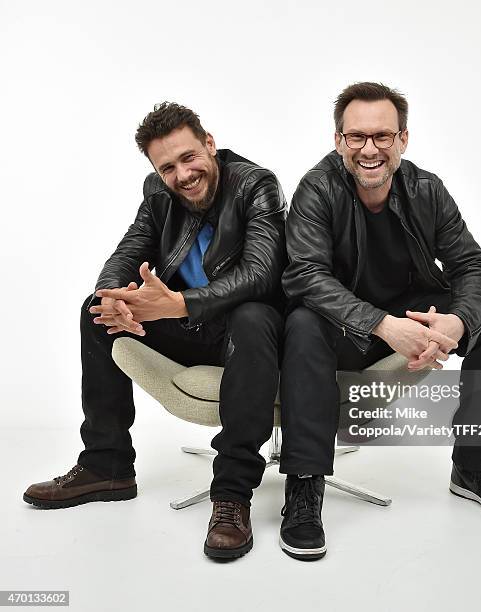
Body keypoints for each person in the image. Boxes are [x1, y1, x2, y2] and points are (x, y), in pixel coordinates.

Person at [23, 102, 286, 560]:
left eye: (188, 158)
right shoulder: (159, 194)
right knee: (96, 311)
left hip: (251, 335)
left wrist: (179, 303)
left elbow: (261, 274)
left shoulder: (255, 184)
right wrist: (114, 299)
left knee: (254, 314)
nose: (182, 175)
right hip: (190, 325)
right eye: (167, 167)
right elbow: (128, 251)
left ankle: (231, 494)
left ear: (209, 144)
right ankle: (107, 465)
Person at [278, 82, 481, 561]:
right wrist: (384, 326)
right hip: (344, 323)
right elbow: (305, 276)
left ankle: (474, 467)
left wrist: (459, 322)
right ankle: (305, 484)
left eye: (382, 136)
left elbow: (472, 265)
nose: (369, 149)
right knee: (302, 326)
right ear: (338, 141)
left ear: (403, 140)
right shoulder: (317, 188)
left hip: (413, 310)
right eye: (356, 137)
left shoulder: (426, 188)